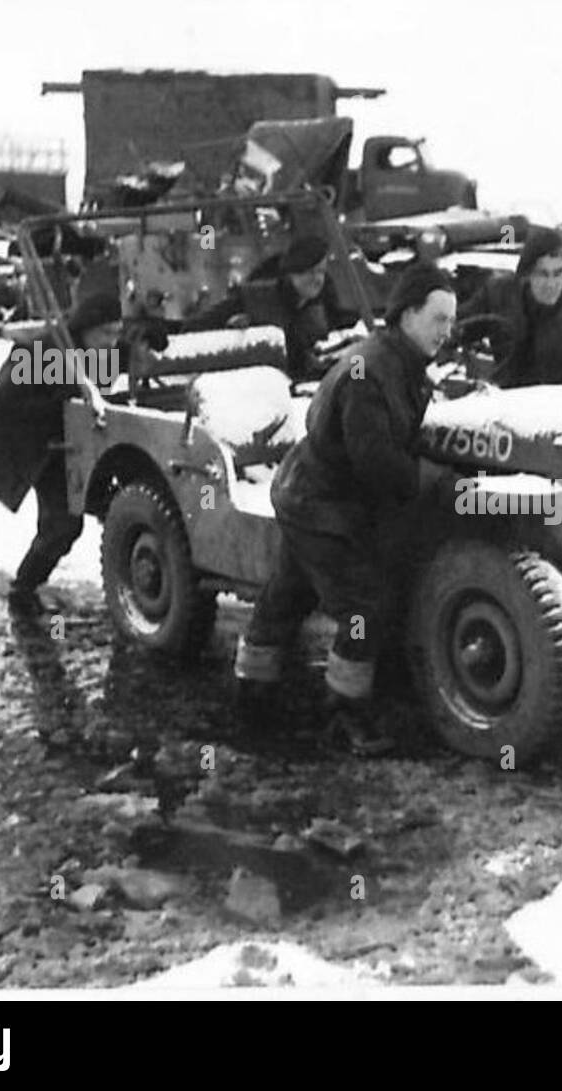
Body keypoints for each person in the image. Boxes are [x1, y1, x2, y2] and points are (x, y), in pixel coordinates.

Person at [233, 262, 457, 756]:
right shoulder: (369, 370)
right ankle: (344, 714)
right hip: (318, 500)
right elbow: (374, 460)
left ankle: (253, 692)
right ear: (407, 315)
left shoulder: (401, 364)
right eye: (439, 319)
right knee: (365, 606)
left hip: (321, 492)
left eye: (451, 320)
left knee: (289, 593)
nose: (447, 331)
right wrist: (436, 482)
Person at [0, 293, 161, 623]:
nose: (111, 342)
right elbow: (5, 402)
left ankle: (23, 591)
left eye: (115, 334)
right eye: (104, 334)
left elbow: (128, 355)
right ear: (85, 329)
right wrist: (64, 394)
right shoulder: (43, 351)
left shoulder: (97, 353)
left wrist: (150, 337)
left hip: (49, 450)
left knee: (63, 526)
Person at [178, 235, 356, 380]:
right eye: (310, 271)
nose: (317, 279)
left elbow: (337, 336)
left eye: (321, 272)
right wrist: (233, 332)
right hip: (259, 391)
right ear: (292, 272)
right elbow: (195, 327)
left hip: (307, 386)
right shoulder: (254, 299)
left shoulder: (321, 304)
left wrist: (355, 368)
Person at [458, 226, 562, 387]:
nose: (551, 284)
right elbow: (456, 330)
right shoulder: (498, 295)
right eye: (543, 274)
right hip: (506, 399)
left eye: (558, 273)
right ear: (527, 275)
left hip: (561, 402)